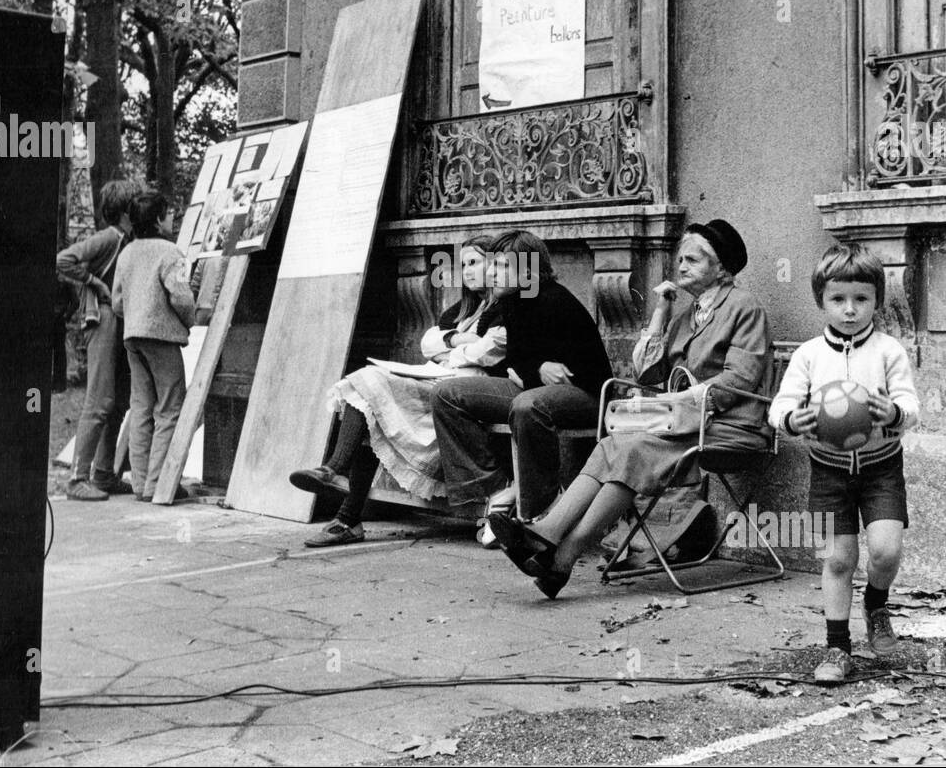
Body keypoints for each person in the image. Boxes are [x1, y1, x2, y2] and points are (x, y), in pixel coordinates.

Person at [488, 220, 770, 599]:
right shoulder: (687, 315)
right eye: (680, 259)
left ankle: (560, 553)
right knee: (611, 445)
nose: (681, 266)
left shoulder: (743, 306)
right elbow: (649, 373)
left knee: (632, 448)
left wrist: (679, 401)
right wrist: (660, 314)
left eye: (693, 260)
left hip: (731, 426)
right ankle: (548, 537)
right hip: (683, 424)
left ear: (721, 268)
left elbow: (740, 380)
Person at [768, 242, 919, 684]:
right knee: (838, 560)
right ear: (822, 301)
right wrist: (793, 419)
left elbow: (911, 404)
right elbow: (780, 407)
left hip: (881, 467)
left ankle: (876, 602)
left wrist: (894, 413)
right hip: (829, 470)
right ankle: (837, 648)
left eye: (861, 299)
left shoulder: (888, 350)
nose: (850, 310)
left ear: (877, 299)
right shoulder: (809, 355)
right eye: (838, 299)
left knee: (887, 552)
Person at [290, 236, 504, 547]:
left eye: (474, 263)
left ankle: (343, 501)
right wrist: (459, 343)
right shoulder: (463, 310)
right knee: (366, 389)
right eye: (463, 265)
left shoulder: (505, 309)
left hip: (464, 396)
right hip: (438, 382)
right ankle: (336, 484)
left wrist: (450, 345)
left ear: (495, 264)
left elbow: (488, 352)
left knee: (370, 389)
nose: (467, 271)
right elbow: (427, 343)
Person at [433, 230, 612, 531]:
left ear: (528, 270)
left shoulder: (554, 300)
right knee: (446, 394)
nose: (492, 274)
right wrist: (538, 367)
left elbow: (588, 373)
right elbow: (517, 359)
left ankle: (539, 512)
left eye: (504, 267)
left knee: (529, 405)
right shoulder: (514, 301)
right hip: (532, 390)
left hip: (587, 395)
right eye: (493, 265)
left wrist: (537, 371)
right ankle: (493, 493)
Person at [111, 190, 197, 503]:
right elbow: (182, 297)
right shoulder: (171, 252)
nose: (173, 217)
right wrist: (188, 321)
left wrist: (136, 316)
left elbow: (117, 302)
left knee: (142, 408)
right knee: (171, 408)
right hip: (162, 338)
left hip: (133, 337)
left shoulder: (127, 253)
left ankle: (141, 484)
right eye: (170, 212)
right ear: (159, 220)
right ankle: (160, 485)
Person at [56, 179, 139, 501]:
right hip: (102, 318)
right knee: (100, 399)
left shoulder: (128, 238)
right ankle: (78, 478)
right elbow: (64, 259)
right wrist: (94, 283)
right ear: (125, 210)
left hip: (118, 321)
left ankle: (104, 474)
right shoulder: (109, 237)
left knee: (118, 401)